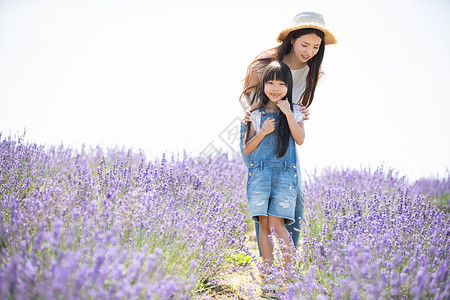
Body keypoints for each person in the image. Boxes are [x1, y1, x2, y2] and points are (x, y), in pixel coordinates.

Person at [239, 11, 337, 255]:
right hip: (259, 128)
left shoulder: (314, 73)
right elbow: (247, 97)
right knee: (264, 205)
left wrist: (298, 113)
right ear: (292, 40)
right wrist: (254, 115)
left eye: (316, 46)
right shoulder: (265, 64)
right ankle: (270, 270)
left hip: (286, 134)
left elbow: (299, 107)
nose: (310, 51)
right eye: (305, 44)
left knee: (296, 200)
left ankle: (288, 265)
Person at [242, 61, 304, 295]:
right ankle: (268, 280)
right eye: (270, 82)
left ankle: (290, 279)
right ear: (264, 85)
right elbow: (248, 148)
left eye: (281, 83)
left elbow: (300, 139)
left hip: (285, 174)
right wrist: (263, 132)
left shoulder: (295, 111)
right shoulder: (255, 114)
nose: (275, 88)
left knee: (278, 224)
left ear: (288, 86)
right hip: (260, 174)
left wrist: (288, 113)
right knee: (264, 226)